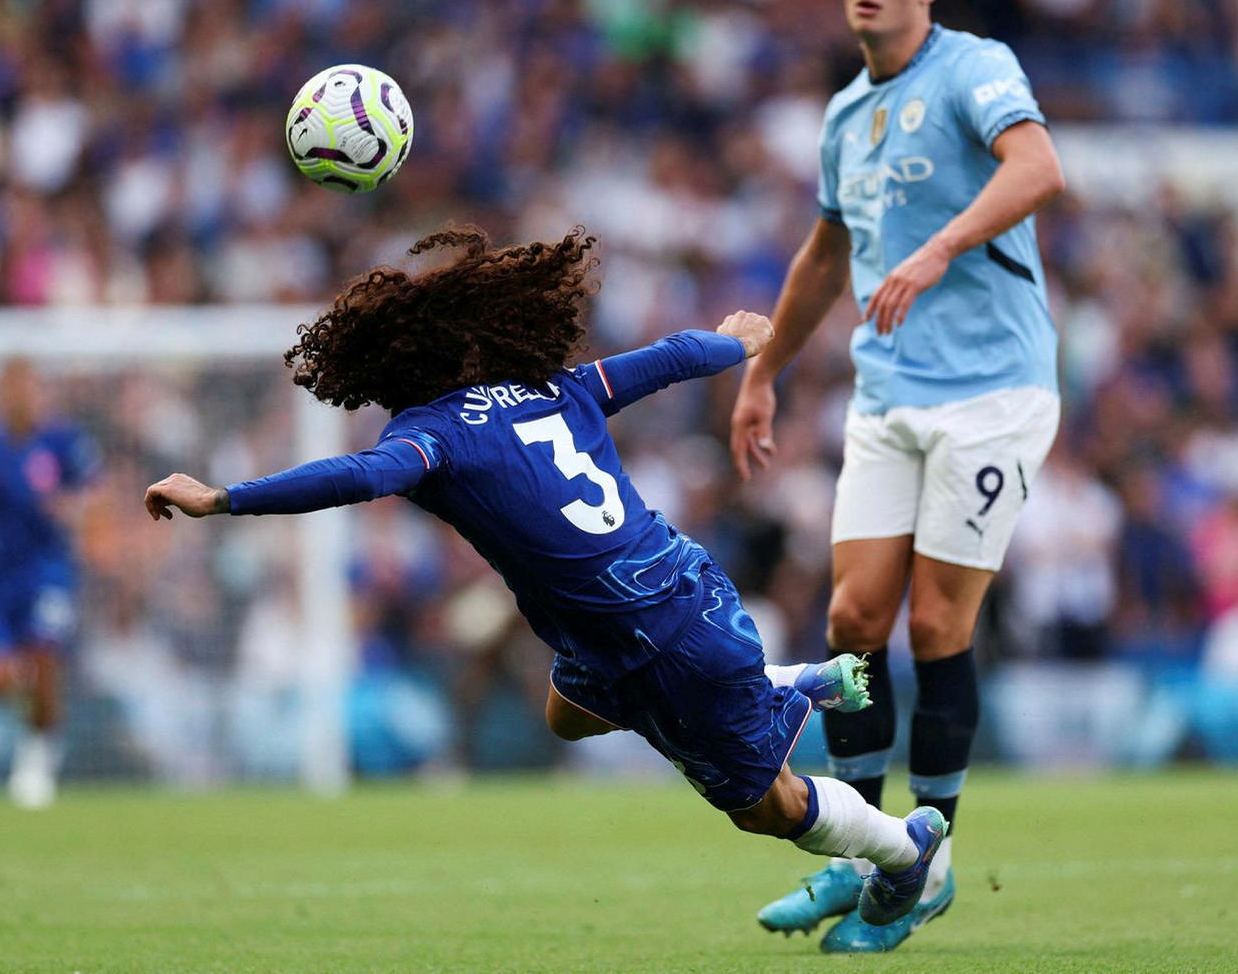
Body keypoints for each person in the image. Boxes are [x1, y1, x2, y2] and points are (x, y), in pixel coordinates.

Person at [144, 225, 947, 928]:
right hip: (674, 591)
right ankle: (788, 681)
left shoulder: (430, 437)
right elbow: (666, 359)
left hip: (656, 638)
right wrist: (733, 343)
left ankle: (901, 849)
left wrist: (225, 498)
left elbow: (354, 476)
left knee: (766, 807)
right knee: (567, 711)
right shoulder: (554, 386)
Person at [730, 0, 1065, 953]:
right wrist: (763, 370)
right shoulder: (841, 115)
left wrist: (935, 250)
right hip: (887, 397)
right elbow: (823, 256)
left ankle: (933, 863)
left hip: (992, 391)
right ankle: (869, 851)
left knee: (934, 627)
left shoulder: (972, 69)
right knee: (850, 618)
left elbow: (1037, 167)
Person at [0, 358, 100, 808]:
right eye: (13, 388)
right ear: (2, 393)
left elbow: (95, 494)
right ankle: (38, 717)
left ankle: (39, 754)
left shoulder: (63, 441)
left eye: (30, 388)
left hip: (47, 571)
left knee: (44, 656)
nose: (22, 397)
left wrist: (71, 510)